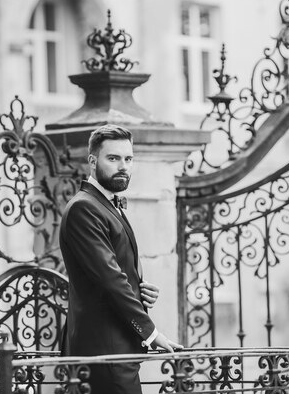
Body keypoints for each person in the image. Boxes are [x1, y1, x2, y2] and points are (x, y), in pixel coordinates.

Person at [59, 124, 183, 394]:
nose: (123, 166)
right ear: (93, 161)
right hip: (104, 352)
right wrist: (151, 333)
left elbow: (115, 271)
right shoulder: (84, 208)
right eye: (113, 158)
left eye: (128, 159)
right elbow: (110, 279)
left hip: (116, 350)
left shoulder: (106, 204)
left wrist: (139, 288)